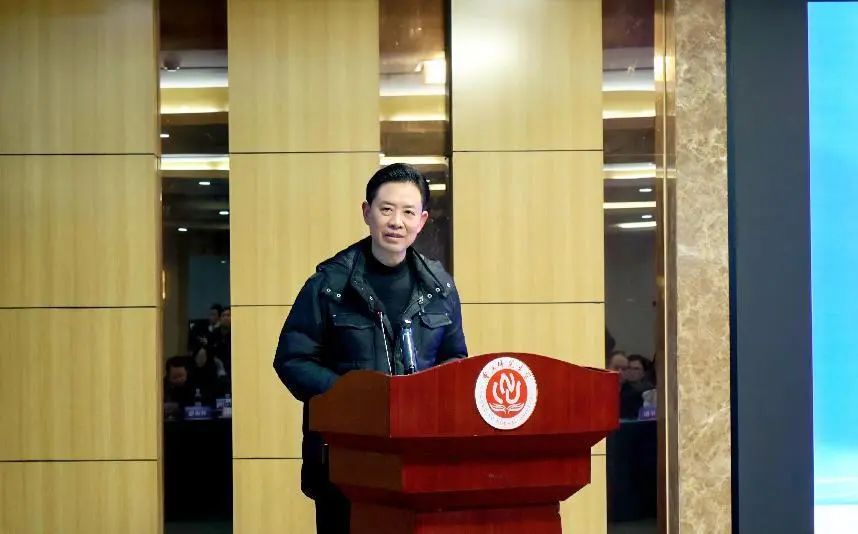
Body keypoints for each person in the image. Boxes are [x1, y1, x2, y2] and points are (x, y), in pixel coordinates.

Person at [273, 163, 468, 534]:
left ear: (422, 220)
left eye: (408, 212)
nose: (396, 222)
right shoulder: (329, 284)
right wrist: (356, 398)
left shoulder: (439, 287)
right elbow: (293, 359)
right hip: (346, 459)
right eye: (386, 209)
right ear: (367, 212)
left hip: (418, 458)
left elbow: (455, 359)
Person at [620, 354, 655, 419]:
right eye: (628, 368)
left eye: (636, 369)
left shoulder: (652, 392)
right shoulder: (620, 392)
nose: (631, 372)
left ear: (644, 372)